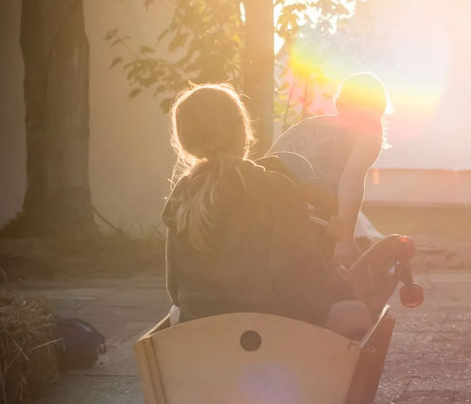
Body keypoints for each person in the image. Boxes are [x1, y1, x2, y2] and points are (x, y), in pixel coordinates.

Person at [162, 83, 405, 339]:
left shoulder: (182, 193)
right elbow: (299, 276)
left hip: (204, 324)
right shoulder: (274, 187)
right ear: (243, 132)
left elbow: (175, 287)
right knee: (358, 314)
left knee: (175, 314)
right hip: (270, 328)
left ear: (184, 140)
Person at [269, 73, 388, 268]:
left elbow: (267, 161)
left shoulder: (306, 125)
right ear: (380, 105)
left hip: (268, 212)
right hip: (312, 219)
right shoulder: (368, 135)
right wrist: (345, 239)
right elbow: (351, 182)